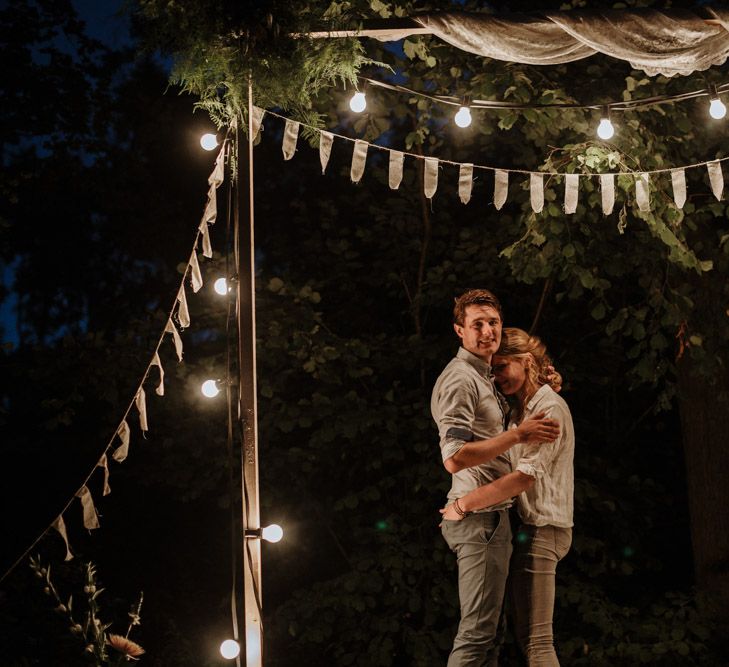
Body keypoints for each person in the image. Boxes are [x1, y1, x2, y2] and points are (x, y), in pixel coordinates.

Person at [432, 290, 561, 667]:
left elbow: (500, 420)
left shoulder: (484, 376)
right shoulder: (460, 380)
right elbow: (454, 458)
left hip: (492, 518)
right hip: (477, 519)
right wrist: (518, 436)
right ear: (460, 330)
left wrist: (544, 383)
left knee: (490, 638)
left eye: (493, 323)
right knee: (476, 636)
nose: (488, 331)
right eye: (477, 324)